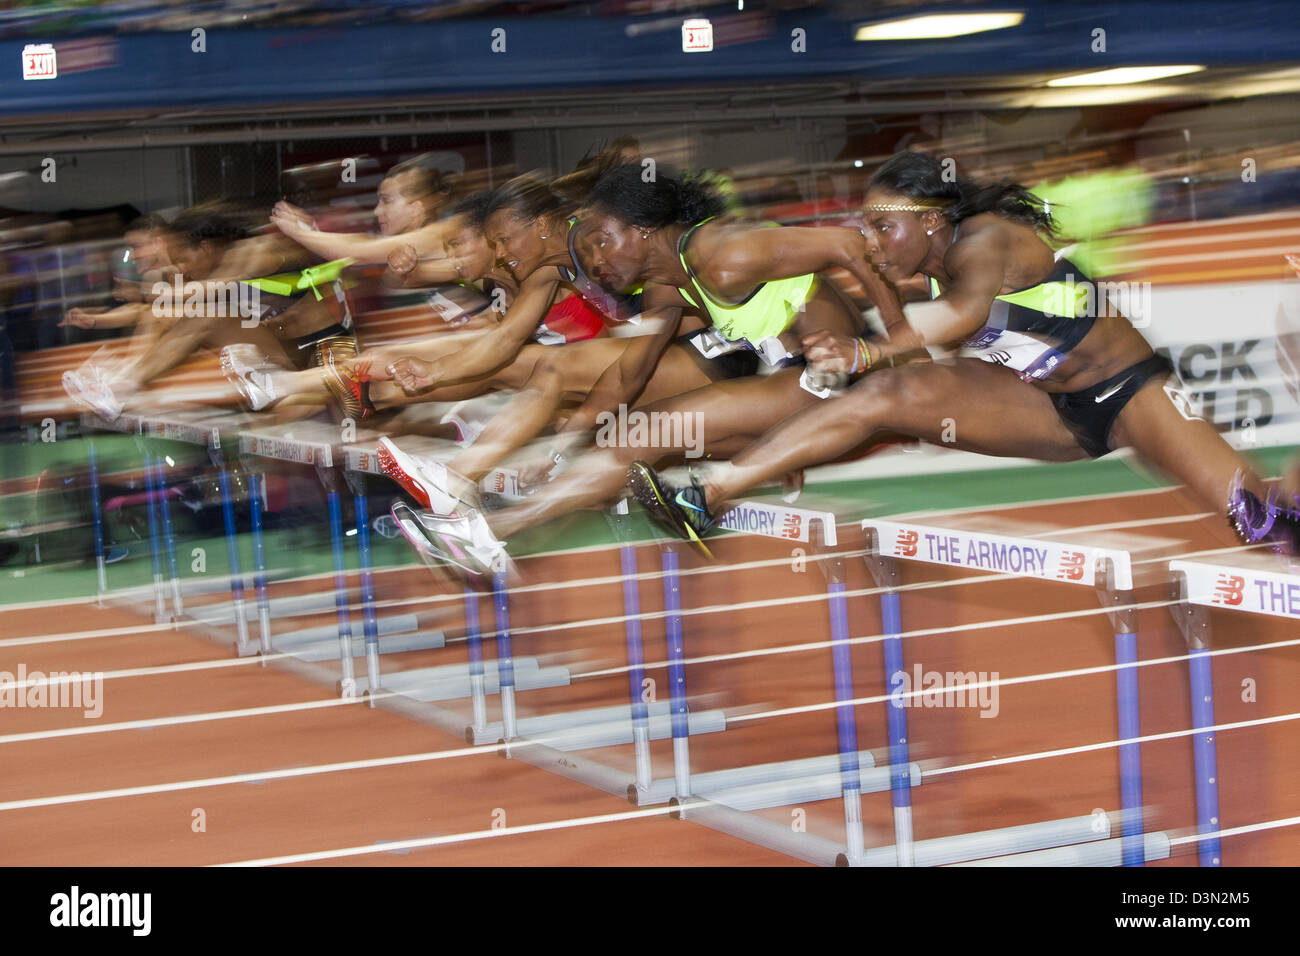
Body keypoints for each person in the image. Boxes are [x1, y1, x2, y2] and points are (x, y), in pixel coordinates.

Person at [624, 151, 1300, 557]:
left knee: (1262, 522)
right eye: (867, 227)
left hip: (1129, 393)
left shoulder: (988, 240)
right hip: (1051, 411)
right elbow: (830, 290)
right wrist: (821, 350)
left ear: (932, 221)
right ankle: (707, 497)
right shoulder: (926, 262)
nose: (874, 240)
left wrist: (863, 348)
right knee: (888, 399)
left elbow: (960, 316)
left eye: (884, 226)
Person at [384, 163, 906, 573]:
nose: (597, 261)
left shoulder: (725, 254)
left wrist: (900, 345)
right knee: (631, 435)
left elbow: (852, 243)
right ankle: (491, 532)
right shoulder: (668, 288)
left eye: (603, 242)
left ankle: (491, 533)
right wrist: (564, 447)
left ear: (643, 231)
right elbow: (629, 373)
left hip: (836, 379)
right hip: (786, 378)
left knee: (641, 434)